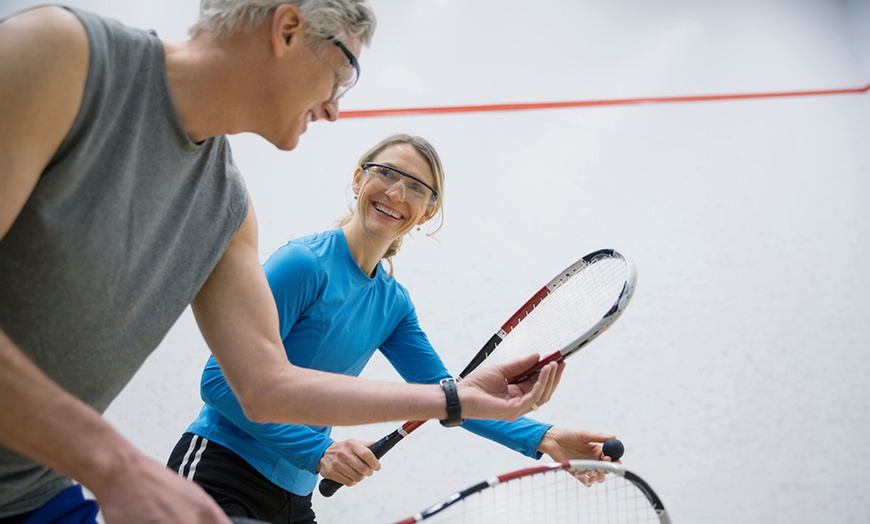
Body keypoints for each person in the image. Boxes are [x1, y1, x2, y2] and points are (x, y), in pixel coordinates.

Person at [0, 3, 563, 523]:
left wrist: (514, 424)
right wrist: (113, 463)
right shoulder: (66, 54)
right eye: (342, 74)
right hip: (200, 471)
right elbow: (221, 385)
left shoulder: (226, 209)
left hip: (35, 493)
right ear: (287, 29)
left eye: (416, 187)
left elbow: (264, 384)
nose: (336, 108)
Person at [167, 134, 615, 523]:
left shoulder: (393, 304)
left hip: (293, 495)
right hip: (218, 470)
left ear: (427, 210)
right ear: (359, 178)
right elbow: (219, 380)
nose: (397, 193)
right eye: (386, 174)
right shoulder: (303, 264)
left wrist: (546, 437)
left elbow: (449, 397)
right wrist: (318, 452)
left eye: (416, 188)